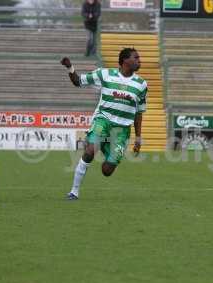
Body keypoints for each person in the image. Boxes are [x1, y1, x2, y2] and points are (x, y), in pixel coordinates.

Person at [61, 47, 148, 200]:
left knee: (107, 171)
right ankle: (74, 192)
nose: (139, 61)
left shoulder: (141, 84)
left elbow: (139, 113)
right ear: (125, 60)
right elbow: (78, 81)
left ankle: (103, 145)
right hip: (103, 121)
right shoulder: (105, 74)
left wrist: (138, 138)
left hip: (122, 130)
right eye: (136, 58)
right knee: (89, 152)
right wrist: (70, 67)